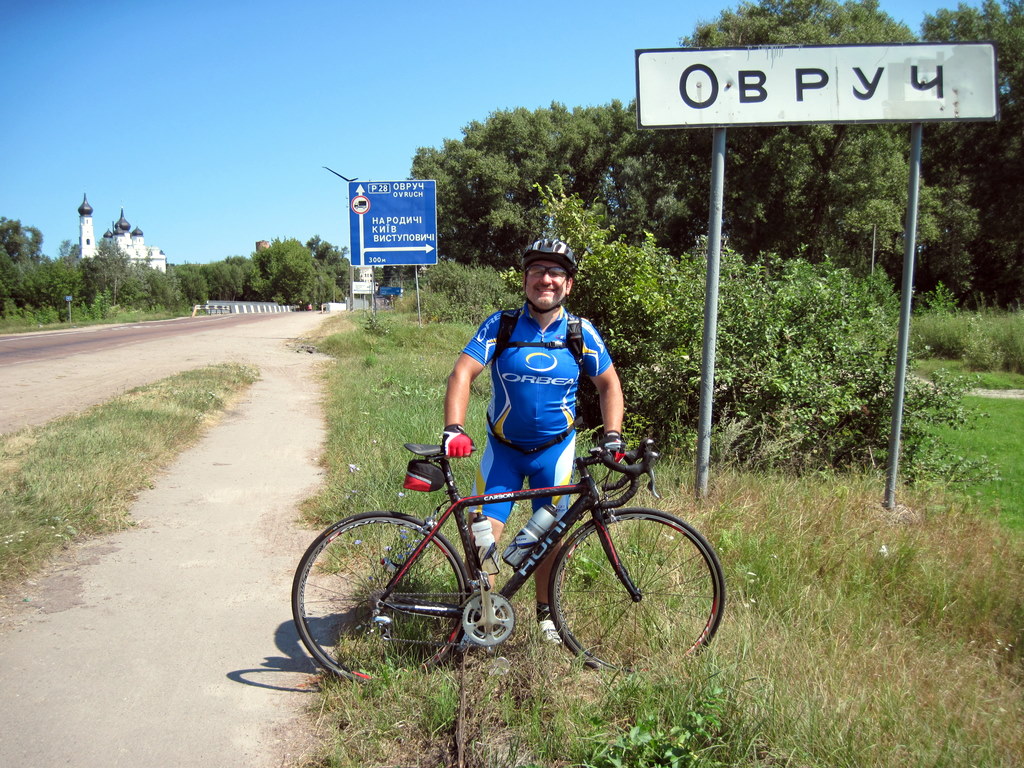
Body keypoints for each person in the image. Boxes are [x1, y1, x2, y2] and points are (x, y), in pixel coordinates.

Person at [442, 237, 625, 644]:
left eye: (556, 272)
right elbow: (462, 373)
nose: (547, 279)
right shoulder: (502, 325)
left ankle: (546, 615)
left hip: (554, 454)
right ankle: (484, 619)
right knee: (482, 535)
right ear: (525, 279)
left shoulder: (580, 332)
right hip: (503, 454)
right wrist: (454, 427)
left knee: (548, 539)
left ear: (568, 284)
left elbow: (609, 385)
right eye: (538, 271)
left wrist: (612, 436)